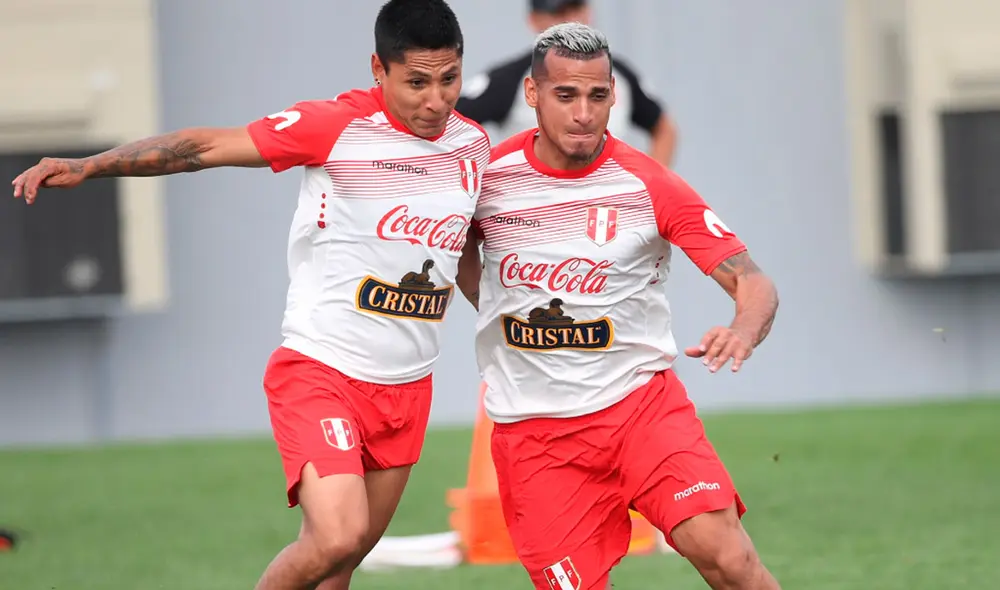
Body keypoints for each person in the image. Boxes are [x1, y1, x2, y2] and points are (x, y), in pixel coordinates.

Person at [12, 1, 489, 588]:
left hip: (408, 387)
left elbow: (464, 250)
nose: (436, 100)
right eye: (417, 82)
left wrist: (505, 314)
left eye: (449, 80)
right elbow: (201, 148)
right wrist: (91, 164)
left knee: (341, 561)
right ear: (378, 69)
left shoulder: (471, 146)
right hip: (323, 371)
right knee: (337, 534)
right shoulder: (333, 126)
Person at [455, 22, 781, 590]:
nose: (583, 112)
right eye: (565, 95)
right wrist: (500, 307)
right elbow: (454, 254)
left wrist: (743, 331)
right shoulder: (485, 180)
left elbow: (753, 282)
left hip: (641, 413)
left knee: (730, 559)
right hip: (535, 438)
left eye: (598, 95)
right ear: (533, 95)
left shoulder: (649, 184)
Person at [456, 0, 677, 167]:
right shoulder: (509, 78)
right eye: (558, 12)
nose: (571, 20)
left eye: (576, 8)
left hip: (606, 210)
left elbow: (664, 129)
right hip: (536, 211)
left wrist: (648, 186)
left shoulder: (620, 74)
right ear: (534, 20)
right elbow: (451, 123)